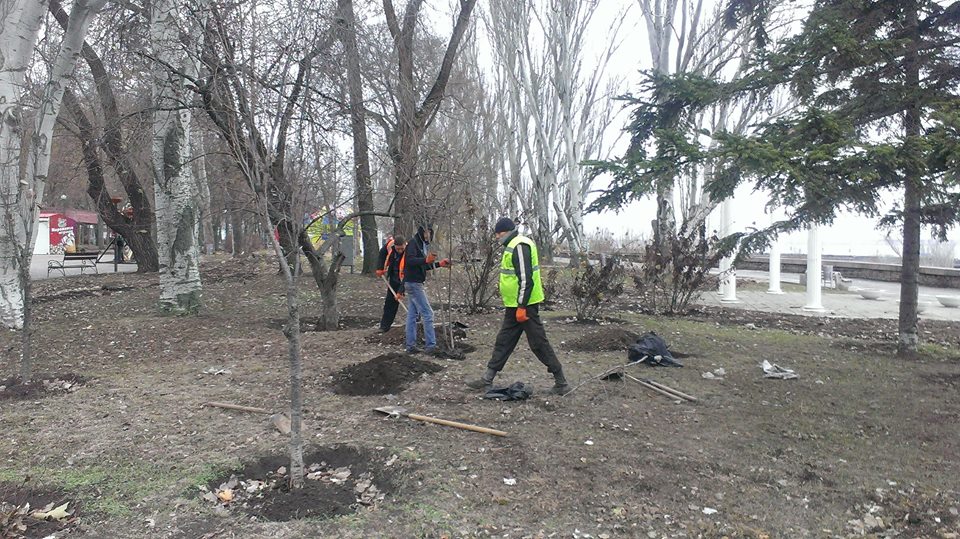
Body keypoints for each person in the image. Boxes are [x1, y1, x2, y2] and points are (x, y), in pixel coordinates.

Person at [466, 217, 569, 395]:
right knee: (504, 341)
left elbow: (525, 278)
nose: (497, 236)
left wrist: (522, 306)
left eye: (499, 233)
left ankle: (561, 382)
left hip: (525, 305)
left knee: (538, 343)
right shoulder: (512, 246)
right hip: (514, 305)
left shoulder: (520, 246)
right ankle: (487, 379)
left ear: (507, 231)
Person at [402, 224, 451, 354]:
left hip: (414, 282)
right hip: (414, 283)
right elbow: (410, 261)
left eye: (429, 232)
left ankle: (410, 346)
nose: (427, 235)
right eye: (425, 232)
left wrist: (439, 264)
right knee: (428, 314)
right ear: (420, 232)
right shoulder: (413, 243)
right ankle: (431, 346)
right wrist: (425, 259)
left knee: (412, 315)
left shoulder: (423, 245)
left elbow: (424, 266)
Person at [376, 235, 406, 333]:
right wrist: (380, 267)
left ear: (405, 245)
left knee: (415, 303)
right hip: (394, 278)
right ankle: (384, 326)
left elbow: (409, 274)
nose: (400, 251)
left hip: (408, 280)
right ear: (394, 247)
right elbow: (382, 253)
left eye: (402, 249)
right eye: (398, 249)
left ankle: (416, 323)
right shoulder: (389, 245)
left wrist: (401, 291)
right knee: (390, 303)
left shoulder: (410, 252)